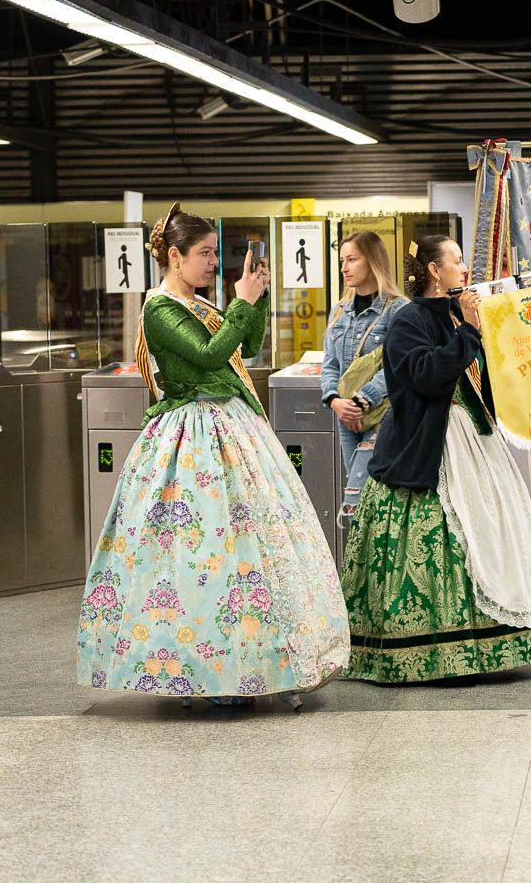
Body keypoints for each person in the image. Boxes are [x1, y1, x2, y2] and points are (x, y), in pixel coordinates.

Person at [76, 204, 349, 708]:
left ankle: (260, 661)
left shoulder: (202, 304)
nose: (211, 262)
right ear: (174, 257)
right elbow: (205, 357)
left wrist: (255, 300)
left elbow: (247, 344)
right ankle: (201, 666)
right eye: (204, 254)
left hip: (233, 427)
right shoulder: (159, 308)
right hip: (191, 434)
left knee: (249, 544)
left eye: (215, 253)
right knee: (200, 548)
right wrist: (240, 302)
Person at [341, 235, 531, 683]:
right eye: (456, 260)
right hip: (430, 443)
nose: (465, 268)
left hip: (473, 437)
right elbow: (425, 375)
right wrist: (467, 330)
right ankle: (429, 645)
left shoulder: (454, 314)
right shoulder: (409, 319)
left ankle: (493, 637)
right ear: (432, 270)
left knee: (491, 524)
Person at [321, 231, 407, 525]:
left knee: (356, 500)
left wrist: (361, 400)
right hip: (346, 417)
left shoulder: (398, 310)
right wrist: (336, 402)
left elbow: (398, 366)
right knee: (366, 497)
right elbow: (330, 365)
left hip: (384, 415)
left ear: (372, 261)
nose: (344, 268)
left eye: (352, 259)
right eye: (343, 260)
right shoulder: (339, 311)